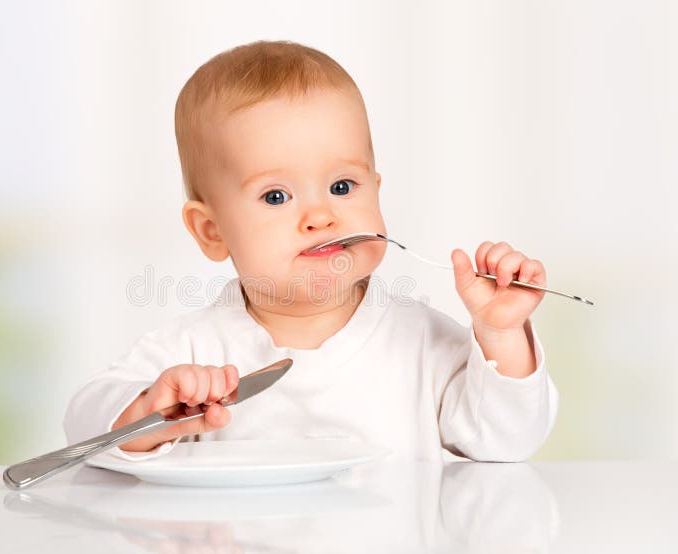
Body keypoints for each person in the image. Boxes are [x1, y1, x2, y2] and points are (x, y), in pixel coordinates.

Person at [64, 40, 558, 463]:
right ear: (212, 231)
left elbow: (507, 440)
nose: (321, 217)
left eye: (343, 186)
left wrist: (501, 334)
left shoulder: (422, 346)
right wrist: (151, 411)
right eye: (276, 197)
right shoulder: (193, 352)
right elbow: (85, 421)